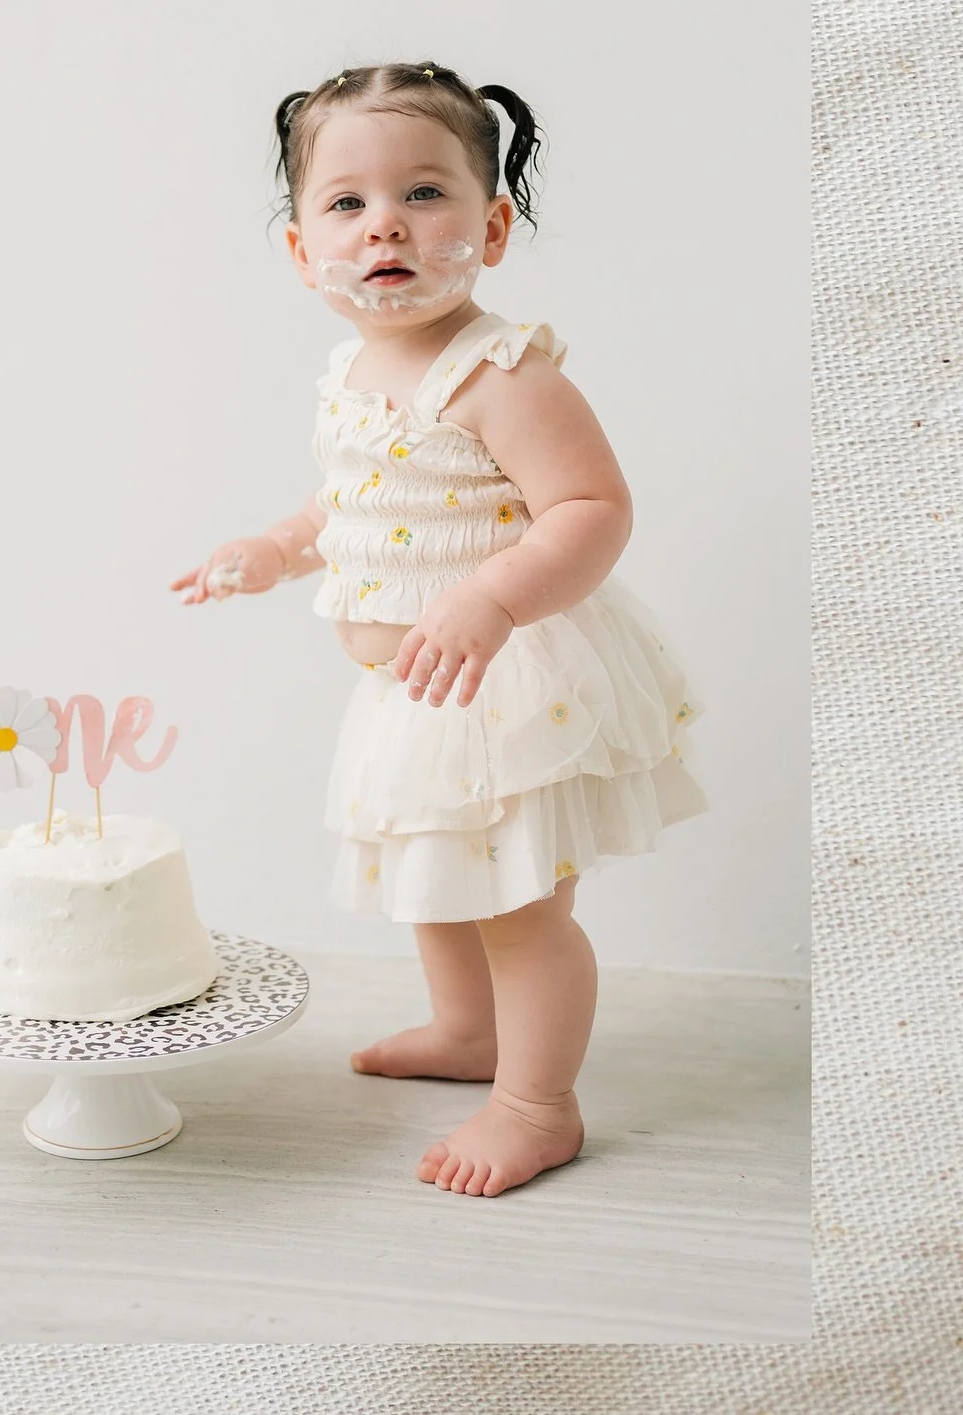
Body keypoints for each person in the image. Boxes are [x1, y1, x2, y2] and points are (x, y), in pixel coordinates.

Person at [169, 60, 708, 1198]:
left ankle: (537, 1103)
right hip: (417, 688)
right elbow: (359, 500)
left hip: (510, 677)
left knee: (516, 905)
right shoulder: (353, 369)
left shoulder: (503, 373)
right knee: (437, 880)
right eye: (346, 203)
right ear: (300, 249)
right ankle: (470, 1036)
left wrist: (495, 597)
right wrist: (273, 547)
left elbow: (592, 511)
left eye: (425, 194)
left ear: (494, 227)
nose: (385, 229)